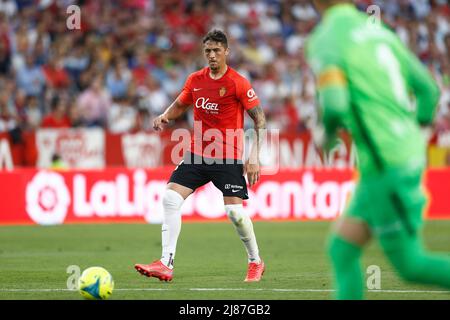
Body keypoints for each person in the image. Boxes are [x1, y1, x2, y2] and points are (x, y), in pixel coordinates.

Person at [306, 0, 450, 300]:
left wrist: (326, 135)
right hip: (400, 156)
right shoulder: (379, 31)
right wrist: (416, 131)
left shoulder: (327, 37)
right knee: (342, 249)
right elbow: (428, 90)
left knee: (411, 265)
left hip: (386, 165)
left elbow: (334, 104)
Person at [134, 30, 266, 282]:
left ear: (226, 52)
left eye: (217, 50)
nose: (212, 55)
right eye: (208, 51)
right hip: (197, 153)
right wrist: (165, 116)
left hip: (227, 155)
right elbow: (181, 103)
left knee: (235, 214)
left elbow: (259, 118)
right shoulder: (195, 79)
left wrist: (254, 156)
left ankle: (255, 261)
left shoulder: (238, 82)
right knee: (171, 198)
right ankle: (165, 263)